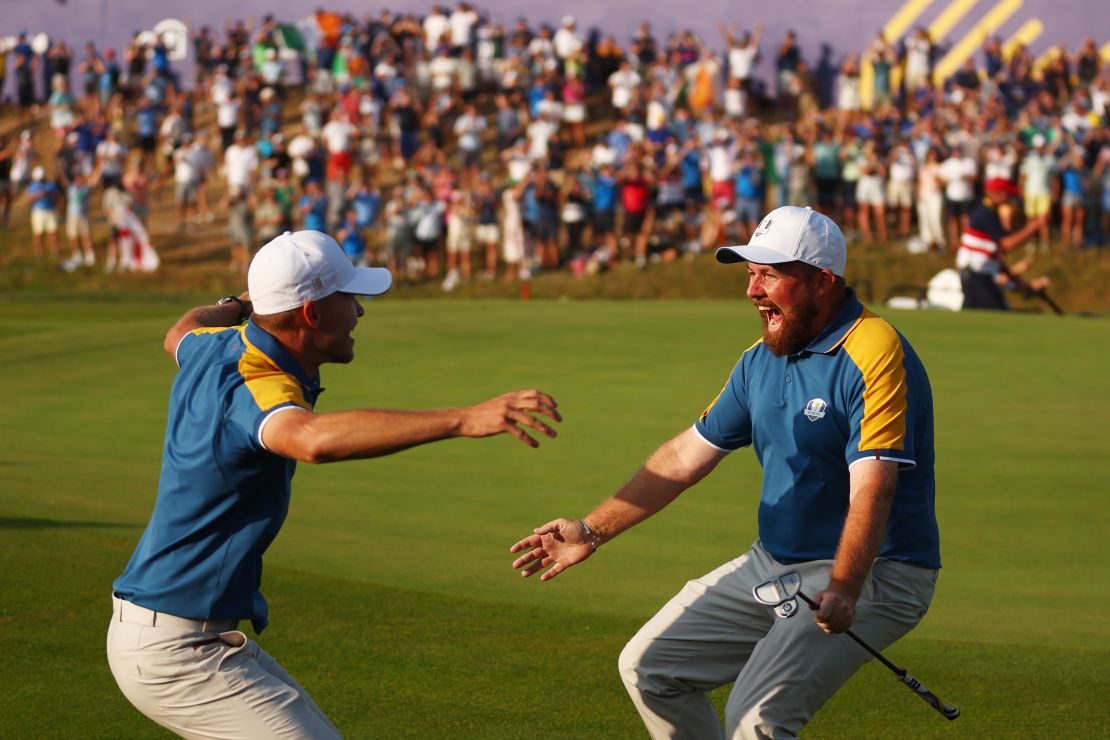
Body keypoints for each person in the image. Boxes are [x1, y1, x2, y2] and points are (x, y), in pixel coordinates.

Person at [108, 230, 562, 738]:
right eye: (349, 298)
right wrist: (462, 419)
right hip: (176, 653)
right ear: (311, 314)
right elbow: (311, 440)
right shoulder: (258, 385)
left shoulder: (210, 347)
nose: (360, 313)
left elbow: (182, 328)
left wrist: (243, 302)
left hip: (176, 634)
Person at [512, 205, 941, 739]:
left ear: (822, 281)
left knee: (756, 720)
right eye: (749, 275)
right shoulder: (760, 359)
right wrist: (592, 530)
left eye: (770, 275)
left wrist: (846, 586)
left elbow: (874, 487)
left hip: (877, 570)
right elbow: (683, 458)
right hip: (778, 564)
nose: (752, 291)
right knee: (650, 669)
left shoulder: (874, 349)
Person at [956, 178, 1050, 310]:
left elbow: (995, 256)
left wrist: (1020, 284)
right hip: (975, 276)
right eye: (1008, 194)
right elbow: (1007, 244)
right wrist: (1034, 227)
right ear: (997, 193)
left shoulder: (989, 212)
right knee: (995, 312)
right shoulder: (986, 213)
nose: (1010, 198)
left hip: (982, 276)